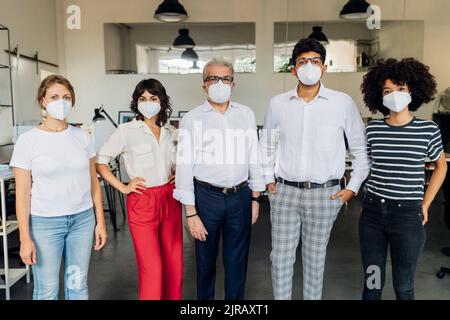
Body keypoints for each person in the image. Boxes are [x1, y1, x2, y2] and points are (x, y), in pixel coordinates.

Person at [260, 38, 371, 300]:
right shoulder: (278, 103)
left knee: (314, 261)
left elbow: (360, 150)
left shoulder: (341, 103)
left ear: (324, 67)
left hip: (325, 194)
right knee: (280, 261)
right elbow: (265, 146)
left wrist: (351, 189)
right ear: (293, 69)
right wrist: (268, 181)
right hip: (285, 192)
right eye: (302, 61)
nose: (309, 65)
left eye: (315, 61)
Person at [173, 57, 265, 300]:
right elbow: (183, 166)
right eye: (213, 78)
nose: (220, 83)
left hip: (240, 197)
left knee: (237, 263)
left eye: (225, 78)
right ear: (204, 85)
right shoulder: (192, 119)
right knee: (205, 263)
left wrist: (255, 198)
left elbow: (254, 156)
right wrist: (190, 213)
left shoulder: (245, 114)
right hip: (206, 198)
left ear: (233, 84)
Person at [11, 75, 107, 300]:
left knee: (78, 287)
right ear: (43, 101)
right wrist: (25, 238)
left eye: (66, 97)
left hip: (82, 222)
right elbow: (22, 195)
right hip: (45, 224)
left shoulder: (82, 137)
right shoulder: (28, 141)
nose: (61, 101)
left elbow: (93, 183)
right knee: (46, 291)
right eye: (54, 97)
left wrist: (100, 222)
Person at [360, 58, 448, 300]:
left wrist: (425, 203)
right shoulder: (373, 130)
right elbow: (363, 166)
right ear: (379, 95)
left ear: (412, 91)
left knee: (404, 286)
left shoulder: (428, 130)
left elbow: (441, 167)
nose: (394, 95)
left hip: (408, 216)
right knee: (372, 283)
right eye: (388, 90)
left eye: (400, 89)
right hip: (373, 216)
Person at [96, 79, 182, 300]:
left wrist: (176, 173)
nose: (148, 103)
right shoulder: (126, 131)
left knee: (174, 266)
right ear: (136, 103)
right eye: (143, 99)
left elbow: (176, 162)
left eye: (153, 99)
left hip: (170, 198)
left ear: (162, 101)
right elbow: (100, 161)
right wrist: (123, 187)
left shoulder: (171, 131)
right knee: (153, 269)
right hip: (143, 200)